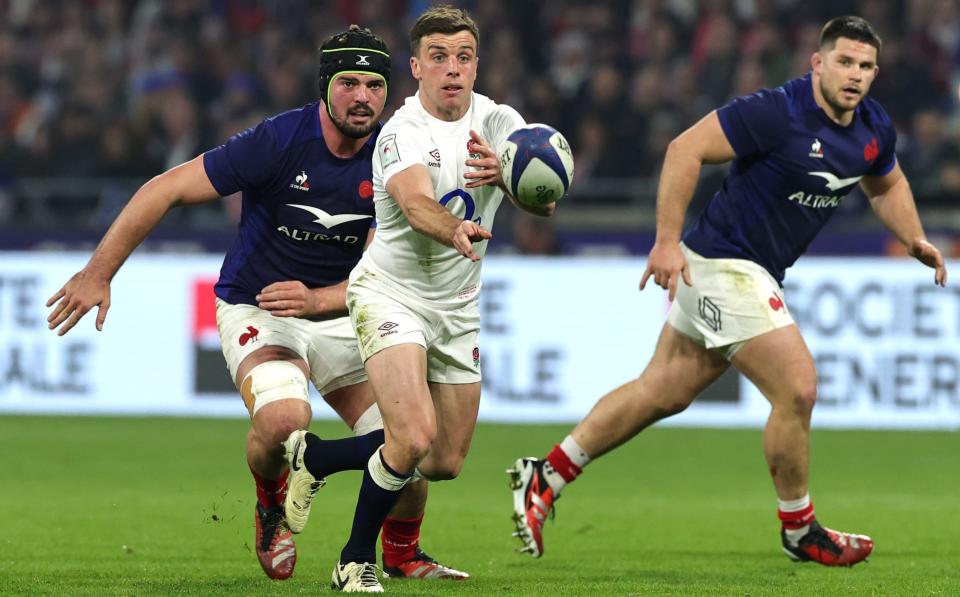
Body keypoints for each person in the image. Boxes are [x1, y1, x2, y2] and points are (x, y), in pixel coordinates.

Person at [508, 15, 947, 567]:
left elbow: (888, 183)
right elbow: (682, 149)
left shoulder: (873, 127)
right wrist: (665, 241)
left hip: (747, 271)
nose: (853, 75)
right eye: (843, 62)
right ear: (817, 63)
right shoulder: (776, 111)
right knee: (798, 388)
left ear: (875, 72)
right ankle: (800, 528)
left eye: (864, 66)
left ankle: (544, 477)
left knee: (661, 392)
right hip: (722, 264)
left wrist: (913, 238)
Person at [45, 25, 467, 583]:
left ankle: (402, 553)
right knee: (285, 419)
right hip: (259, 306)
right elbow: (165, 188)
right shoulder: (278, 141)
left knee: (410, 448)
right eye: (348, 83)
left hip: (344, 312)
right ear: (325, 87)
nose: (362, 97)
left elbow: (385, 271)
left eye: (373, 84)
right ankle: (271, 509)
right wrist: (98, 273)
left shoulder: (397, 158)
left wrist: (320, 300)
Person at [281, 5, 558, 592]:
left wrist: (510, 178)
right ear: (416, 67)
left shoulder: (502, 121)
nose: (452, 69)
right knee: (410, 438)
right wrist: (454, 227)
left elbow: (546, 199)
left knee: (442, 462)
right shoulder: (401, 131)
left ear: (477, 63)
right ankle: (354, 562)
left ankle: (320, 459)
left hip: (458, 306)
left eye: (463, 57)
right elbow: (413, 203)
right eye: (438, 58)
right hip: (390, 295)